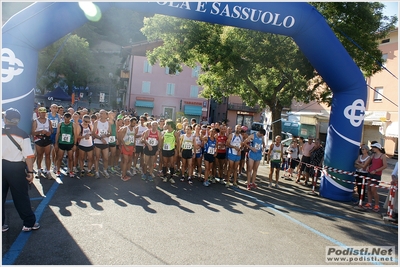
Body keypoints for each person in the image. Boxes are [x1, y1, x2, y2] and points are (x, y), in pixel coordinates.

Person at [2, 108, 40, 232]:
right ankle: (29, 223)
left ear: (6, 119)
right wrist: (30, 172)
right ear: (17, 121)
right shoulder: (22, 134)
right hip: (16, 168)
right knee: (21, 197)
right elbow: (28, 155)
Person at [363, 142, 388, 212]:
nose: (372, 149)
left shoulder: (382, 156)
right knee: (369, 189)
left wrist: (376, 170)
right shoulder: (373, 155)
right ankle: (369, 203)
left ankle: (377, 204)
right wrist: (368, 166)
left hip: (377, 174)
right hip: (370, 173)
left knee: (373, 189)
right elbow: (370, 163)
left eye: (373, 147)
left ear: (377, 148)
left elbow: (385, 166)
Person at [32, 107, 53, 179]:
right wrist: (40, 132)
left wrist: (49, 133)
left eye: (44, 113)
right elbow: (33, 132)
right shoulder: (36, 121)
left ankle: (48, 171)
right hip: (39, 139)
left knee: (48, 155)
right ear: (39, 113)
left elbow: (51, 130)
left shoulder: (48, 120)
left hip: (47, 139)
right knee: (39, 155)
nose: (43, 114)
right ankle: (39, 170)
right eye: (41, 113)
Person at [54, 112, 77, 178]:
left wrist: (75, 144)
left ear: (70, 118)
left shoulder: (73, 124)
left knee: (70, 158)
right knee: (60, 157)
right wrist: (56, 143)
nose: (66, 119)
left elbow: (75, 135)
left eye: (68, 118)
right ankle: (58, 171)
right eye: (65, 118)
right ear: (63, 117)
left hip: (70, 143)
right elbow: (57, 133)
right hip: (62, 143)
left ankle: (71, 171)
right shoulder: (60, 124)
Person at [92, 109, 111, 179]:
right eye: (100, 113)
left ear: (106, 115)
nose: (101, 114)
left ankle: (105, 170)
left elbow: (110, 133)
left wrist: (105, 135)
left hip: (105, 142)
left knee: (106, 158)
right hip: (98, 142)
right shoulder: (96, 122)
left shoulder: (108, 123)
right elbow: (93, 133)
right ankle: (97, 171)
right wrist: (100, 138)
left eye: (102, 113)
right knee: (97, 157)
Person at [160, 119, 180, 183]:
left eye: (166, 124)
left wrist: (177, 150)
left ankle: (171, 177)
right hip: (165, 149)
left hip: (171, 150)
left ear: (169, 125)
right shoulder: (164, 132)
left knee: (172, 164)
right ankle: (165, 176)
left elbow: (178, 142)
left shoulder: (174, 132)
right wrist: (160, 149)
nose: (165, 125)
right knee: (165, 163)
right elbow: (162, 141)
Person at [119, 117, 137, 181]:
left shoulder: (134, 129)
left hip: (131, 146)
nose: (134, 124)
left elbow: (134, 138)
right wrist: (125, 146)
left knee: (130, 160)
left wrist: (134, 147)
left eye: (135, 123)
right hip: (125, 146)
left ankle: (127, 171)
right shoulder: (125, 128)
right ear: (130, 122)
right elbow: (121, 138)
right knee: (125, 161)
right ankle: (123, 175)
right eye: (133, 123)